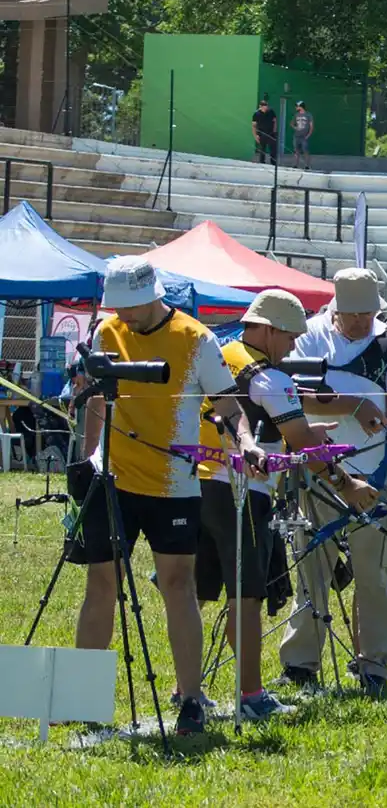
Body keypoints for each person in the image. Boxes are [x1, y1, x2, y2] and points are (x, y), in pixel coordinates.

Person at [71, 257, 260, 735]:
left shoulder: (197, 339)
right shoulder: (106, 331)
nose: (126, 316)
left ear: (155, 296)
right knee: (102, 584)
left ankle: (190, 698)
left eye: (133, 306)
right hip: (113, 478)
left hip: (173, 482)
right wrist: (88, 458)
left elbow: (229, 407)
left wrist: (248, 443)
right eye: (120, 307)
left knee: (179, 585)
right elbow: (97, 398)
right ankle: (84, 704)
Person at [195, 289, 378, 720]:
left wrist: (305, 431)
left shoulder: (223, 356)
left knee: (194, 593)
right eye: (291, 337)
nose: (294, 347)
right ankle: (251, 695)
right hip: (242, 493)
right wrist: (348, 484)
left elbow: (282, 426)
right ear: (271, 330)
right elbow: (301, 443)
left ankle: (189, 690)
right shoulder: (268, 377)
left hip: (196, 485)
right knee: (247, 596)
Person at [279, 268, 387, 697]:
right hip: (318, 468)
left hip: (373, 470)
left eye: (368, 313)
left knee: (372, 573)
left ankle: (374, 663)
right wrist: (353, 405)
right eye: (352, 313)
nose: (360, 322)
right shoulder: (311, 335)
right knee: (311, 569)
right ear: (336, 307)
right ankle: (300, 663)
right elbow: (293, 396)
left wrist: (385, 420)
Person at [252, 100, 278, 165]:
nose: (265, 108)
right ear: (260, 106)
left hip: (271, 133)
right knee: (262, 149)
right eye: (264, 106)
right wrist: (255, 135)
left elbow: (275, 121)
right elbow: (254, 126)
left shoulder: (271, 112)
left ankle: (273, 163)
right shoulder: (256, 114)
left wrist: (274, 131)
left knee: (273, 149)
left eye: (266, 106)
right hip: (261, 133)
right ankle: (262, 162)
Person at [291, 101, 315, 170]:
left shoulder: (308, 115)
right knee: (296, 151)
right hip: (296, 136)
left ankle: (307, 165)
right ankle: (295, 164)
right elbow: (292, 123)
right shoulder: (296, 115)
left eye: (297, 106)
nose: (296, 107)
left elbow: (311, 126)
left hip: (304, 136)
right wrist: (295, 127)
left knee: (305, 151)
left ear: (301, 107)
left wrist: (308, 135)